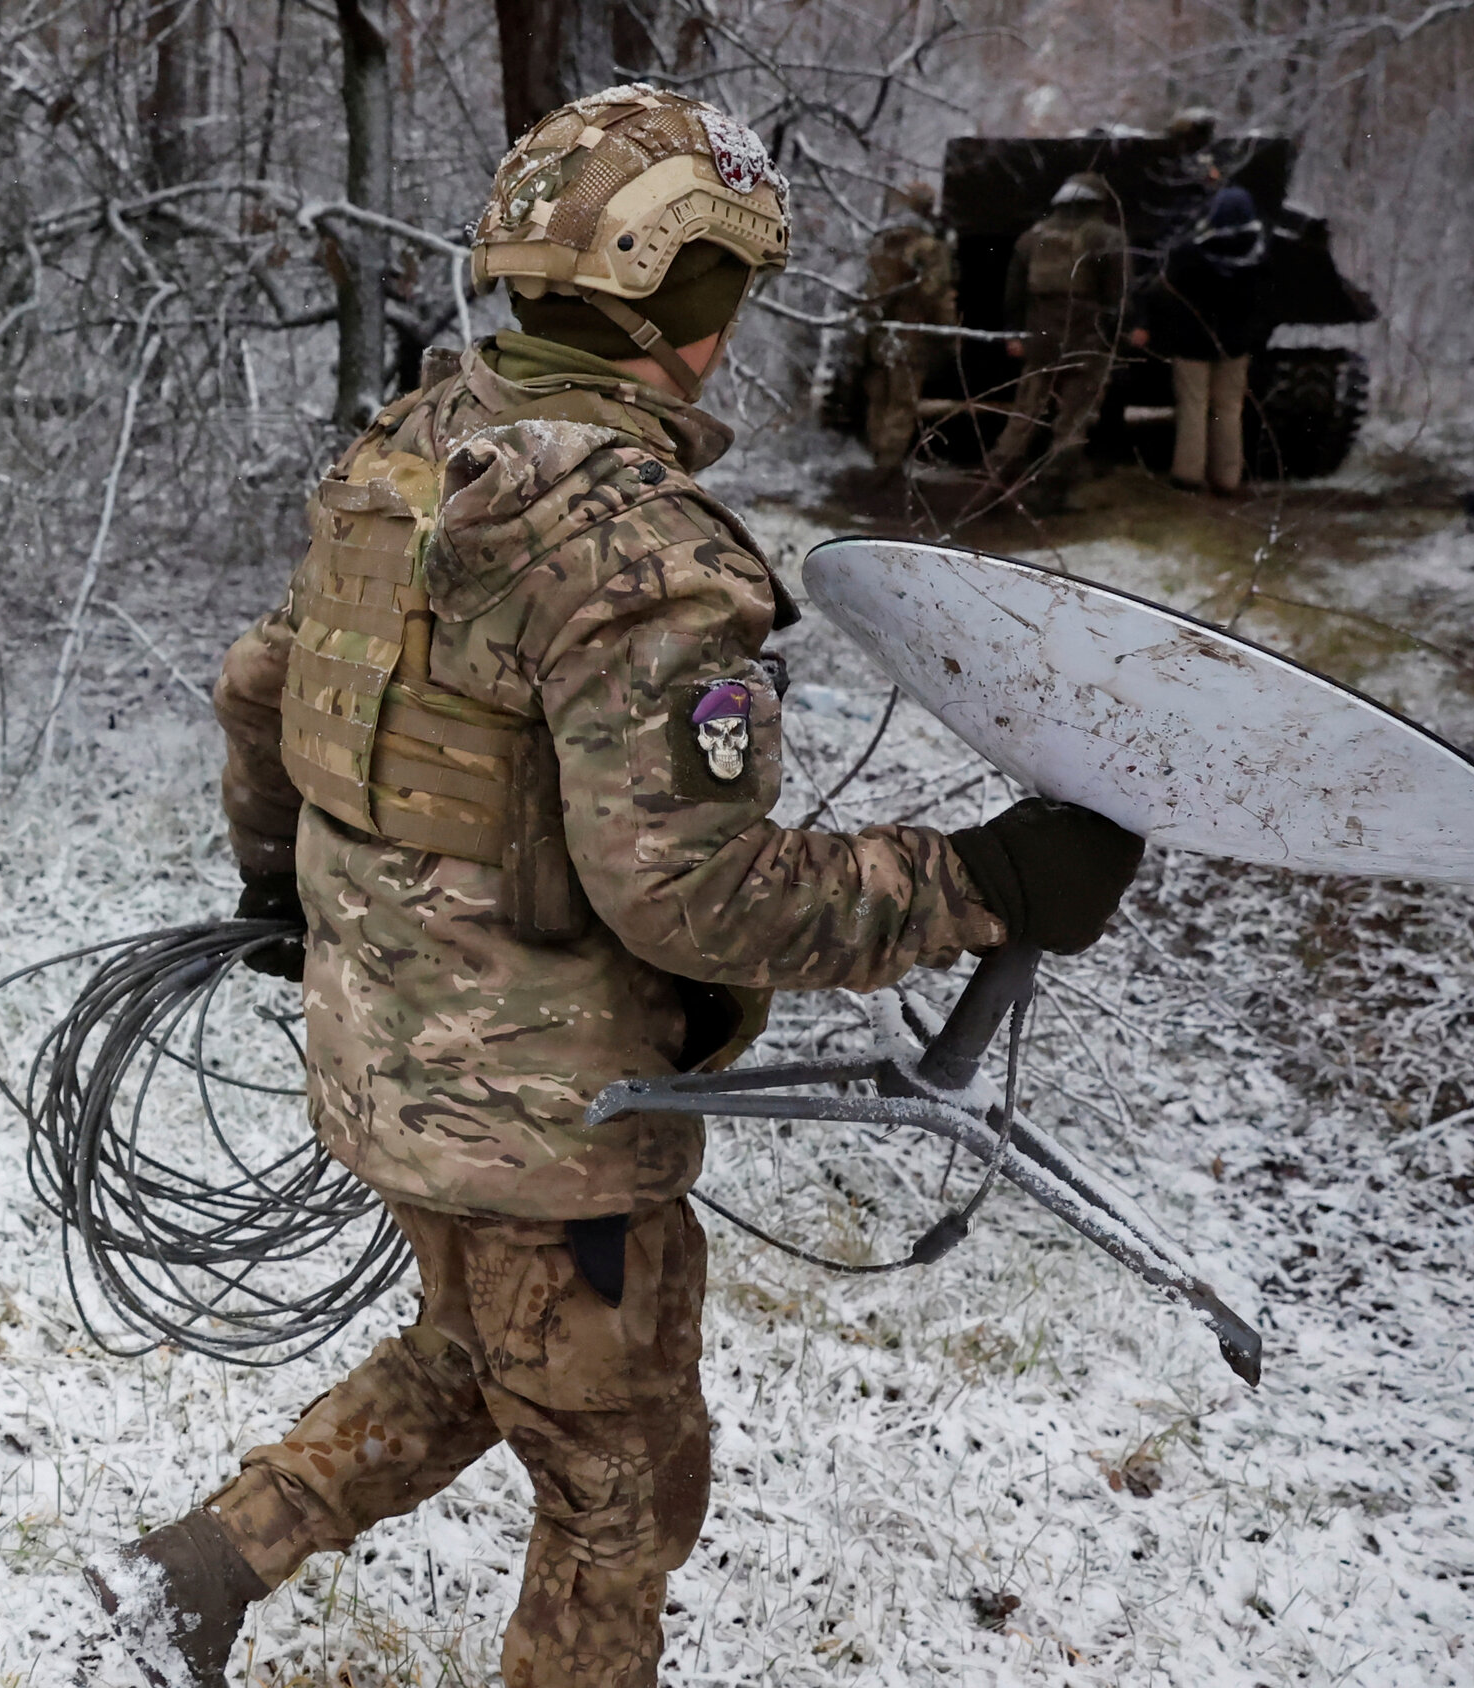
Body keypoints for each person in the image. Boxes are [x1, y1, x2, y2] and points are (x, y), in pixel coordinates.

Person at [87, 85, 1145, 1688]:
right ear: (681, 296)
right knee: (622, 1487)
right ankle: (208, 1584)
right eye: (727, 291)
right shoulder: (634, 547)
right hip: (550, 1135)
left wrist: (279, 897)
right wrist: (983, 880)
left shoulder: (413, 450)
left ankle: (197, 1574)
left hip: (388, 1067)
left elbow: (260, 688)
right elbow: (696, 901)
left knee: (472, 1352)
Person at [985, 172, 1129, 506]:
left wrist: (1016, 334)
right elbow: (1117, 298)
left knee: (1024, 416)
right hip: (1087, 342)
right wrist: (1112, 341)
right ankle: (1052, 492)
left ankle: (994, 481)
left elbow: (1013, 295)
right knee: (1073, 421)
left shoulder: (1030, 238)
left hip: (1041, 341)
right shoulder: (1107, 238)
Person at [1131, 185, 1273, 494]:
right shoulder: (1260, 256)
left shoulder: (1190, 254)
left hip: (1191, 343)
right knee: (1228, 409)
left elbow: (1160, 291)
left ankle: (1188, 475)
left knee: (1193, 407)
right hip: (1235, 345)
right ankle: (1226, 478)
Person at [860, 182, 958, 471]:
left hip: (878, 332)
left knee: (879, 399)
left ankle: (875, 457)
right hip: (911, 333)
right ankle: (887, 467)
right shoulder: (929, 246)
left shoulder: (881, 240)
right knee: (902, 403)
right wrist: (949, 334)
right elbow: (935, 294)